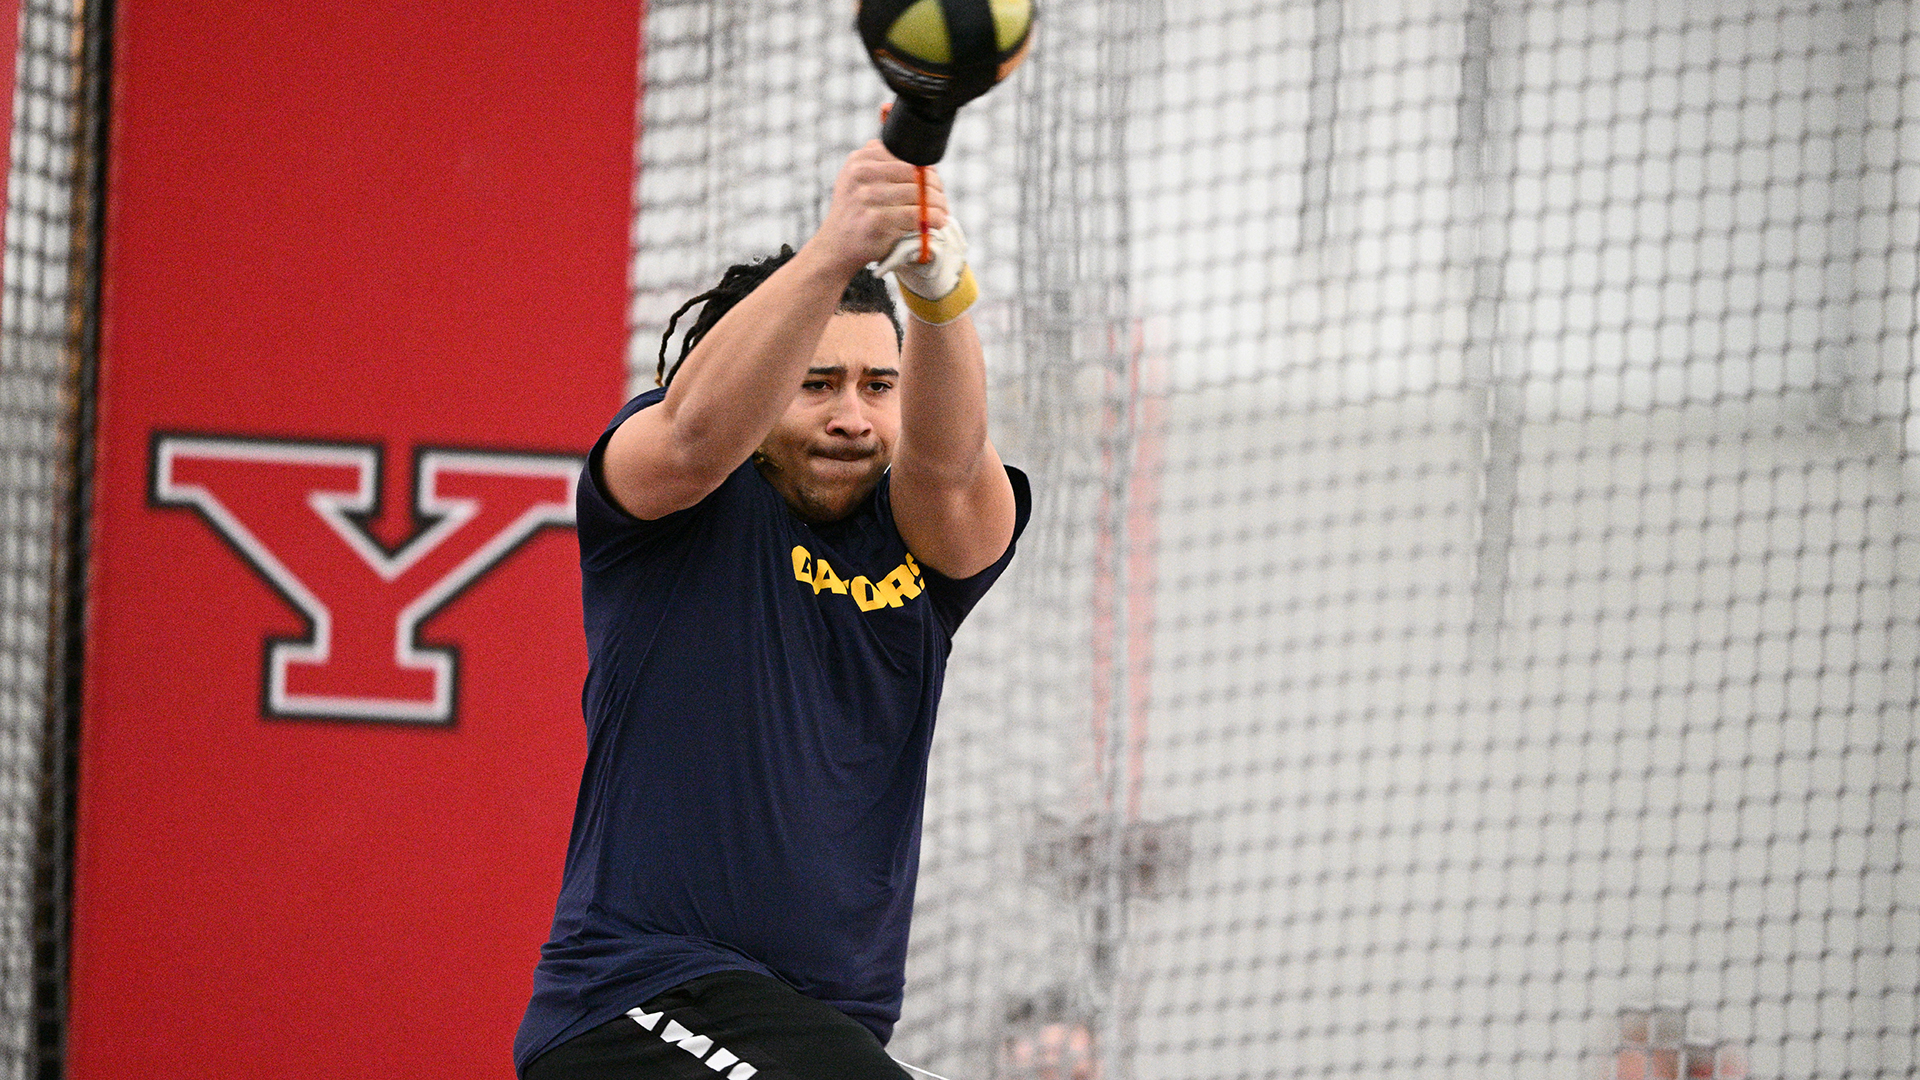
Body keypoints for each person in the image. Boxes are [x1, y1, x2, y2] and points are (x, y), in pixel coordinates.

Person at [514, 137, 1030, 1080]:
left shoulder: (919, 544)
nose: (853, 417)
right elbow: (697, 430)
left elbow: (953, 471)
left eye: (880, 386)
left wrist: (938, 284)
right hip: (640, 1002)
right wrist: (835, 250)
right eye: (817, 384)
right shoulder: (680, 501)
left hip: (814, 1035)